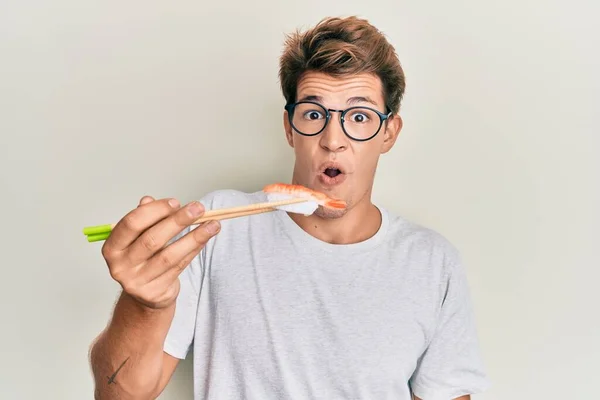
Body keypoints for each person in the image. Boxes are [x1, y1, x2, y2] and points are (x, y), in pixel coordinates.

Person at [89, 15, 490, 400]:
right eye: (314, 114)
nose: (334, 139)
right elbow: (119, 395)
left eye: (360, 116)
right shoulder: (214, 227)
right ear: (289, 127)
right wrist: (143, 305)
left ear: (388, 133)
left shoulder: (431, 263)